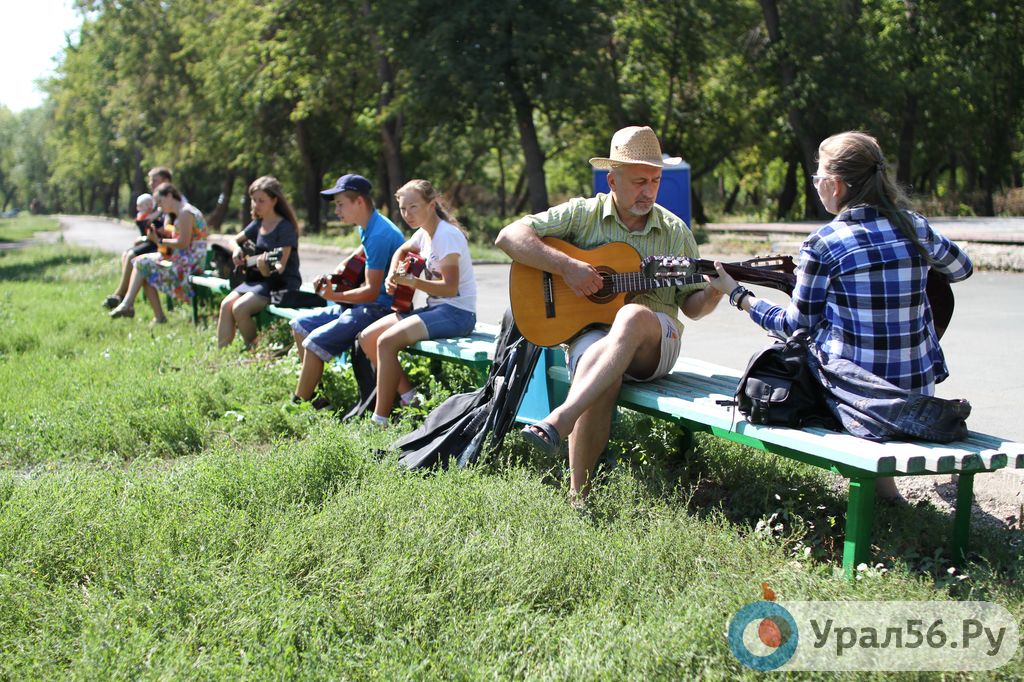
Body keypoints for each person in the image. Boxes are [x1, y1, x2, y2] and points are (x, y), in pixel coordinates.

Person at [706, 130, 973, 498]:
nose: (816, 184)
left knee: (793, 350)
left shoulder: (824, 243)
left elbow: (794, 326)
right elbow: (961, 269)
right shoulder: (913, 225)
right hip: (918, 389)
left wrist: (738, 295)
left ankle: (882, 494)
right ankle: (888, 495)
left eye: (818, 177)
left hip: (860, 401)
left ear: (835, 185)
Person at [495, 126, 723, 502]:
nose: (648, 191)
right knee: (596, 367)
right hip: (597, 335)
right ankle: (579, 499)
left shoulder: (674, 231)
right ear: (612, 180)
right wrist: (567, 266)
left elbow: (692, 307)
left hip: (655, 341)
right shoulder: (583, 214)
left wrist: (714, 290)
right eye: (639, 182)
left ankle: (561, 418)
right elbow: (509, 236)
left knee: (631, 316)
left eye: (655, 181)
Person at [358, 179, 478, 426]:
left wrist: (413, 282)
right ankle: (410, 398)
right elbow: (401, 251)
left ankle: (379, 420)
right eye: (403, 209)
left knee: (386, 342)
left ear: (431, 205)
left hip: (458, 313)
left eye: (413, 207)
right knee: (367, 337)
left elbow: (450, 288)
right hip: (437, 309)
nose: (407, 214)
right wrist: (393, 275)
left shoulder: (447, 236)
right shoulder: (423, 233)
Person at [289, 174, 405, 408]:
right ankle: (316, 394)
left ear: (359, 202)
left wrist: (333, 296)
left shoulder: (379, 234)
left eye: (341, 204)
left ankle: (300, 404)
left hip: (379, 309)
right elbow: (360, 253)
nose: (337, 211)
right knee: (299, 326)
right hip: (364, 306)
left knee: (313, 342)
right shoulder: (368, 226)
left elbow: (371, 292)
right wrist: (336, 273)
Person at [217, 176, 302, 348]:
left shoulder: (285, 227)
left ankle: (254, 349)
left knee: (240, 308)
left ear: (274, 200)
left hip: (281, 282)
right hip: (258, 280)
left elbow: (280, 268)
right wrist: (237, 250)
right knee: (226, 305)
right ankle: (221, 353)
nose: (256, 204)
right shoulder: (258, 224)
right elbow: (233, 240)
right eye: (254, 200)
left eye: (261, 200)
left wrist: (265, 269)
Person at [110, 182, 208, 322]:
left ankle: (131, 306)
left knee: (143, 265)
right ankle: (144, 311)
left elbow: (183, 243)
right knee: (142, 265)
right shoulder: (180, 213)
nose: (159, 207)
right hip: (183, 260)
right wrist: (160, 234)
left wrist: (159, 241)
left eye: (160, 202)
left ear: (169, 196)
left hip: (189, 265)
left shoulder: (185, 213)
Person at [103, 167, 175, 310]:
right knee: (127, 254)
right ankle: (124, 298)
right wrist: (145, 237)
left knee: (133, 257)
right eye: (150, 181)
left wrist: (151, 238)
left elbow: (169, 231)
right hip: (157, 243)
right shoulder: (158, 200)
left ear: (166, 181)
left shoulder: (170, 201)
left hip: (166, 248)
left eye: (155, 180)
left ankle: (120, 296)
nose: (151, 184)